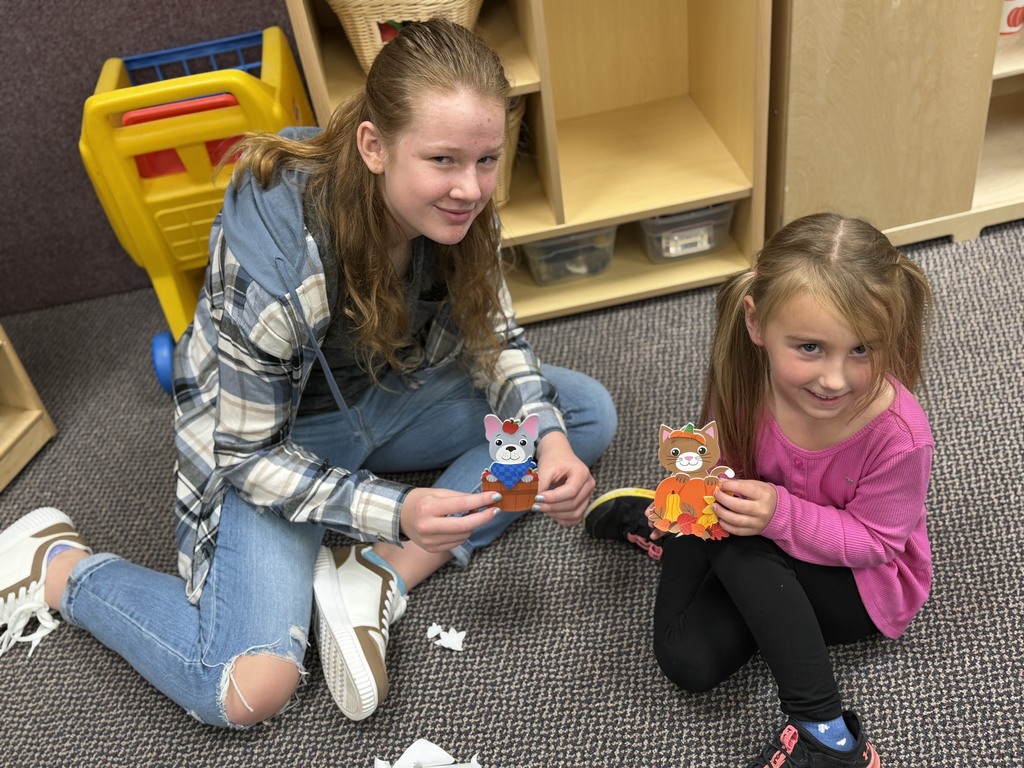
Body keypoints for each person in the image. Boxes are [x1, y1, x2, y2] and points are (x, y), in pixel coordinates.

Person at [0, 19, 616, 728]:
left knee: (580, 415)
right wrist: (397, 507)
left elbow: (496, 336)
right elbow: (248, 457)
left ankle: (380, 572)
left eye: (487, 160)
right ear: (374, 146)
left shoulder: (464, 212)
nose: (470, 188)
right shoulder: (280, 253)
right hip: (282, 442)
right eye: (444, 160)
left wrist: (549, 439)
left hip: (389, 398)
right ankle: (59, 568)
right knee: (241, 688)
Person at [584, 213, 933, 767]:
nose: (836, 379)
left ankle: (827, 734)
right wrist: (706, 496)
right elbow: (728, 465)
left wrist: (776, 515)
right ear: (756, 324)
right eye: (810, 348)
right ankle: (675, 531)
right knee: (689, 662)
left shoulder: (900, 436)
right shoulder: (743, 384)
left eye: (863, 350)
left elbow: (878, 544)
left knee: (731, 536)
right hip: (763, 542)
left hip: (860, 587)